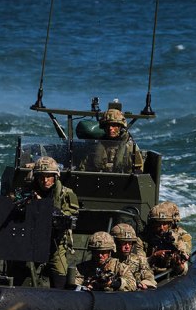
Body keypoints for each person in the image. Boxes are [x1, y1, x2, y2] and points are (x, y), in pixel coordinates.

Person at [18, 156, 79, 288]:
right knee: (22, 272)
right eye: (41, 177)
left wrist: (43, 206)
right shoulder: (28, 192)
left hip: (56, 242)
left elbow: (67, 219)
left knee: (60, 273)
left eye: (48, 176)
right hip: (31, 241)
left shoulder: (66, 194)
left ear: (55, 176)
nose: (45, 180)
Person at [85, 108, 144, 173]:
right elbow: (85, 167)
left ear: (120, 127)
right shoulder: (98, 145)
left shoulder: (130, 146)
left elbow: (139, 169)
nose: (110, 128)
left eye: (113, 125)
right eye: (108, 125)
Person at [142, 201, 192, 275]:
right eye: (158, 224)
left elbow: (184, 264)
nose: (161, 228)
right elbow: (136, 262)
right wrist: (154, 256)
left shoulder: (179, 236)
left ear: (169, 224)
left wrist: (178, 264)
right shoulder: (144, 238)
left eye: (164, 224)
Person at [110, 223, 157, 290]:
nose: (127, 246)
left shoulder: (140, 260)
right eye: (123, 242)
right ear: (115, 243)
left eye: (130, 243)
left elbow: (149, 277)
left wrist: (143, 283)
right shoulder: (108, 261)